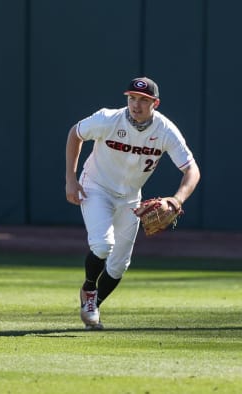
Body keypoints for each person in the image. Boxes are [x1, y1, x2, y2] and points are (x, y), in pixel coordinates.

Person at [65, 76, 200, 329]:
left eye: (143, 100)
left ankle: (93, 304)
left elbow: (192, 170)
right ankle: (88, 290)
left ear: (155, 103)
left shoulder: (165, 130)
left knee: (119, 265)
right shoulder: (108, 119)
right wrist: (71, 180)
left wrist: (176, 200)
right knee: (103, 245)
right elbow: (76, 133)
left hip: (130, 197)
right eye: (132, 98)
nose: (136, 104)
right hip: (97, 187)